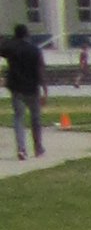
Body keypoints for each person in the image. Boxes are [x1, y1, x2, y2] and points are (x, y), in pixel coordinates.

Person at [7, 19, 46, 159]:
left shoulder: (12, 49)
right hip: (32, 89)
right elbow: (40, 70)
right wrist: (45, 89)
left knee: (18, 118)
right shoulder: (35, 50)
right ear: (27, 34)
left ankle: (22, 149)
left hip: (17, 88)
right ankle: (38, 147)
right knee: (35, 119)